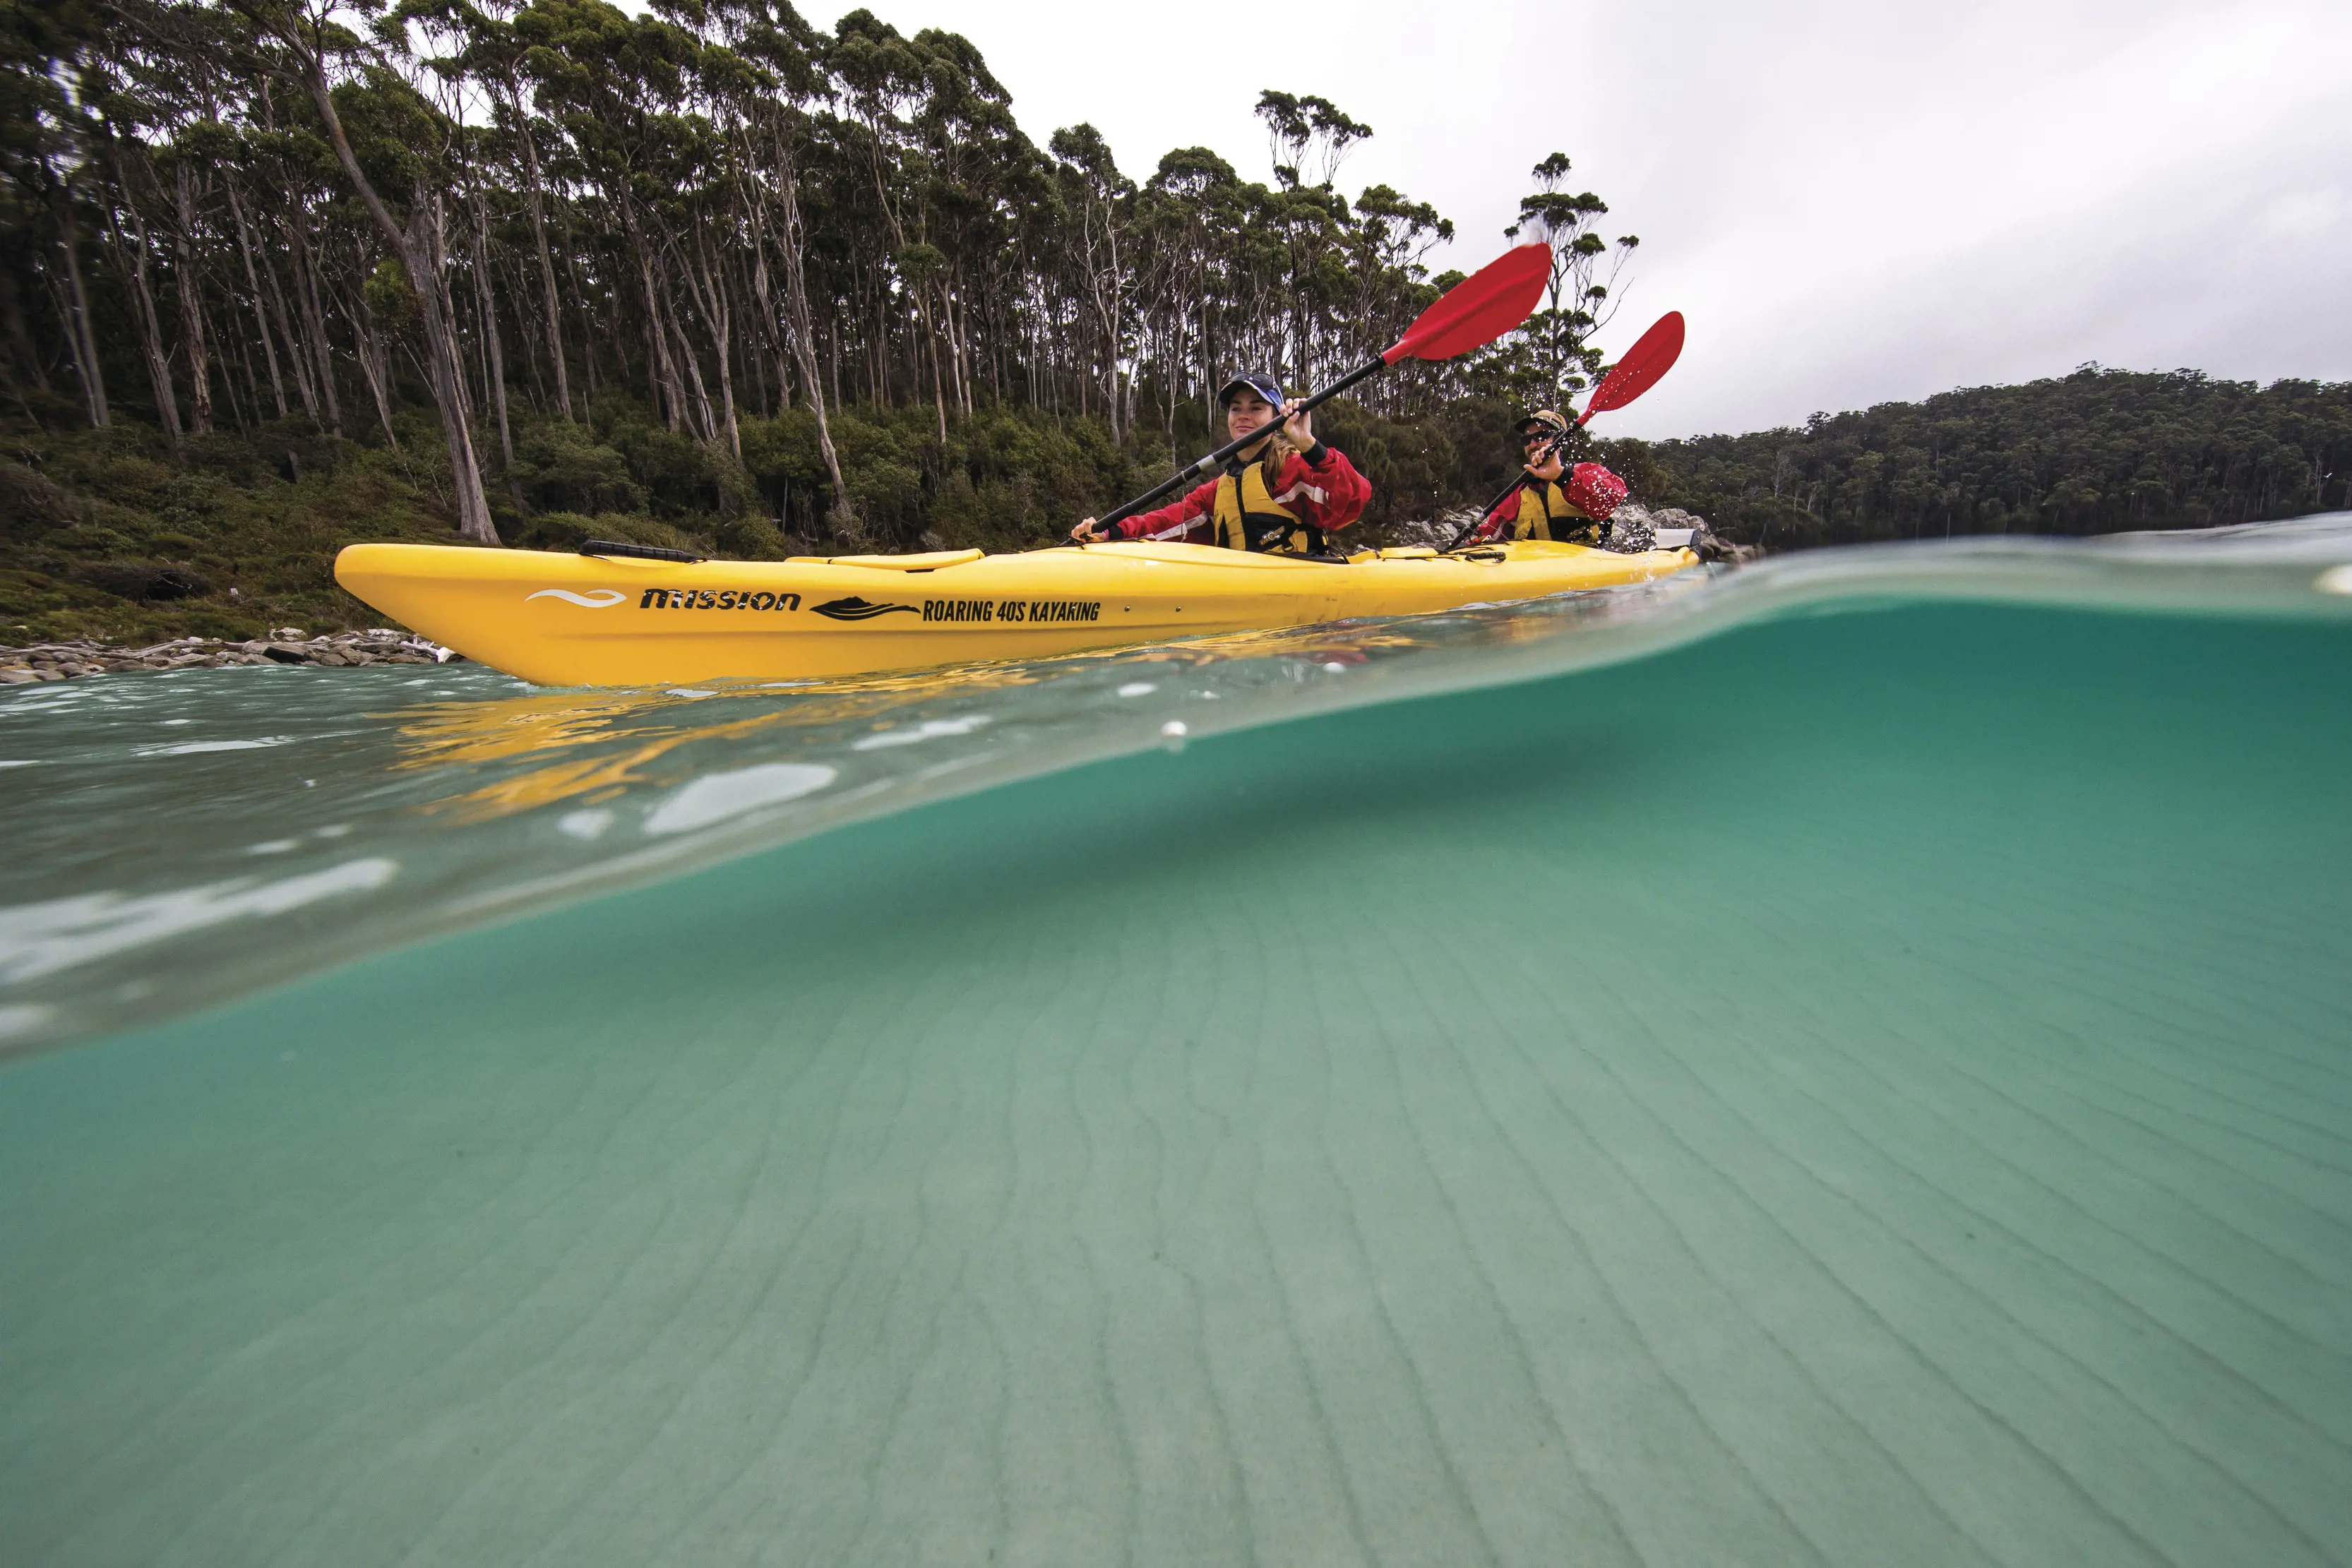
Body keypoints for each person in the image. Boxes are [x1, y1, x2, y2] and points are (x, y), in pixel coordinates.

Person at [1070, 373, 1371, 555]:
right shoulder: (1218, 491)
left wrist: (1309, 445)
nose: (1243, 415)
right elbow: (1162, 523)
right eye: (1236, 408)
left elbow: (1352, 502)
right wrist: (1108, 533)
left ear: (1276, 418)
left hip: (1304, 605)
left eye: (1256, 408)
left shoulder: (1291, 470)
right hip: (1248, 607)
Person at [1467, 409, 1628, 546]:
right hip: (1541, 575)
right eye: (1527, 439)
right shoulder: (1516, 494)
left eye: (1542, 436)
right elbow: (1488, 536)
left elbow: (1609, 503)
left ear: (1560, 441)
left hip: (1588, 571)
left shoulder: (1586, 471)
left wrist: (1562, 476)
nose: (1533, 444)